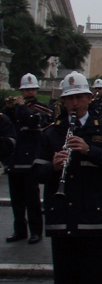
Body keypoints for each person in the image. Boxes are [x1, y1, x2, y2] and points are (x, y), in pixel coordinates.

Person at [32, 72, 102, 284]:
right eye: (70, 99)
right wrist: (52, 167)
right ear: (63, 101)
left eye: (79, 98)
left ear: (88, 98)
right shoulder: (52, 132)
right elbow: (36, 173)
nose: (74, 103)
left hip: (92, 219)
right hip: (61, 218)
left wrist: (89, 150)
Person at [4, 73, 49, 244]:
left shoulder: (40, 107)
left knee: (32, 199)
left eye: (31, 89)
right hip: (15, 159)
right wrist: (8, 108)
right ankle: (20, 230)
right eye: (26, 90)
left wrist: (21, 107)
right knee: (17, 200)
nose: (29, 93)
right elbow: (7, 124)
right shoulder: (16, 108)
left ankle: (36, 231)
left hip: (30, 160)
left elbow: (32, 122)